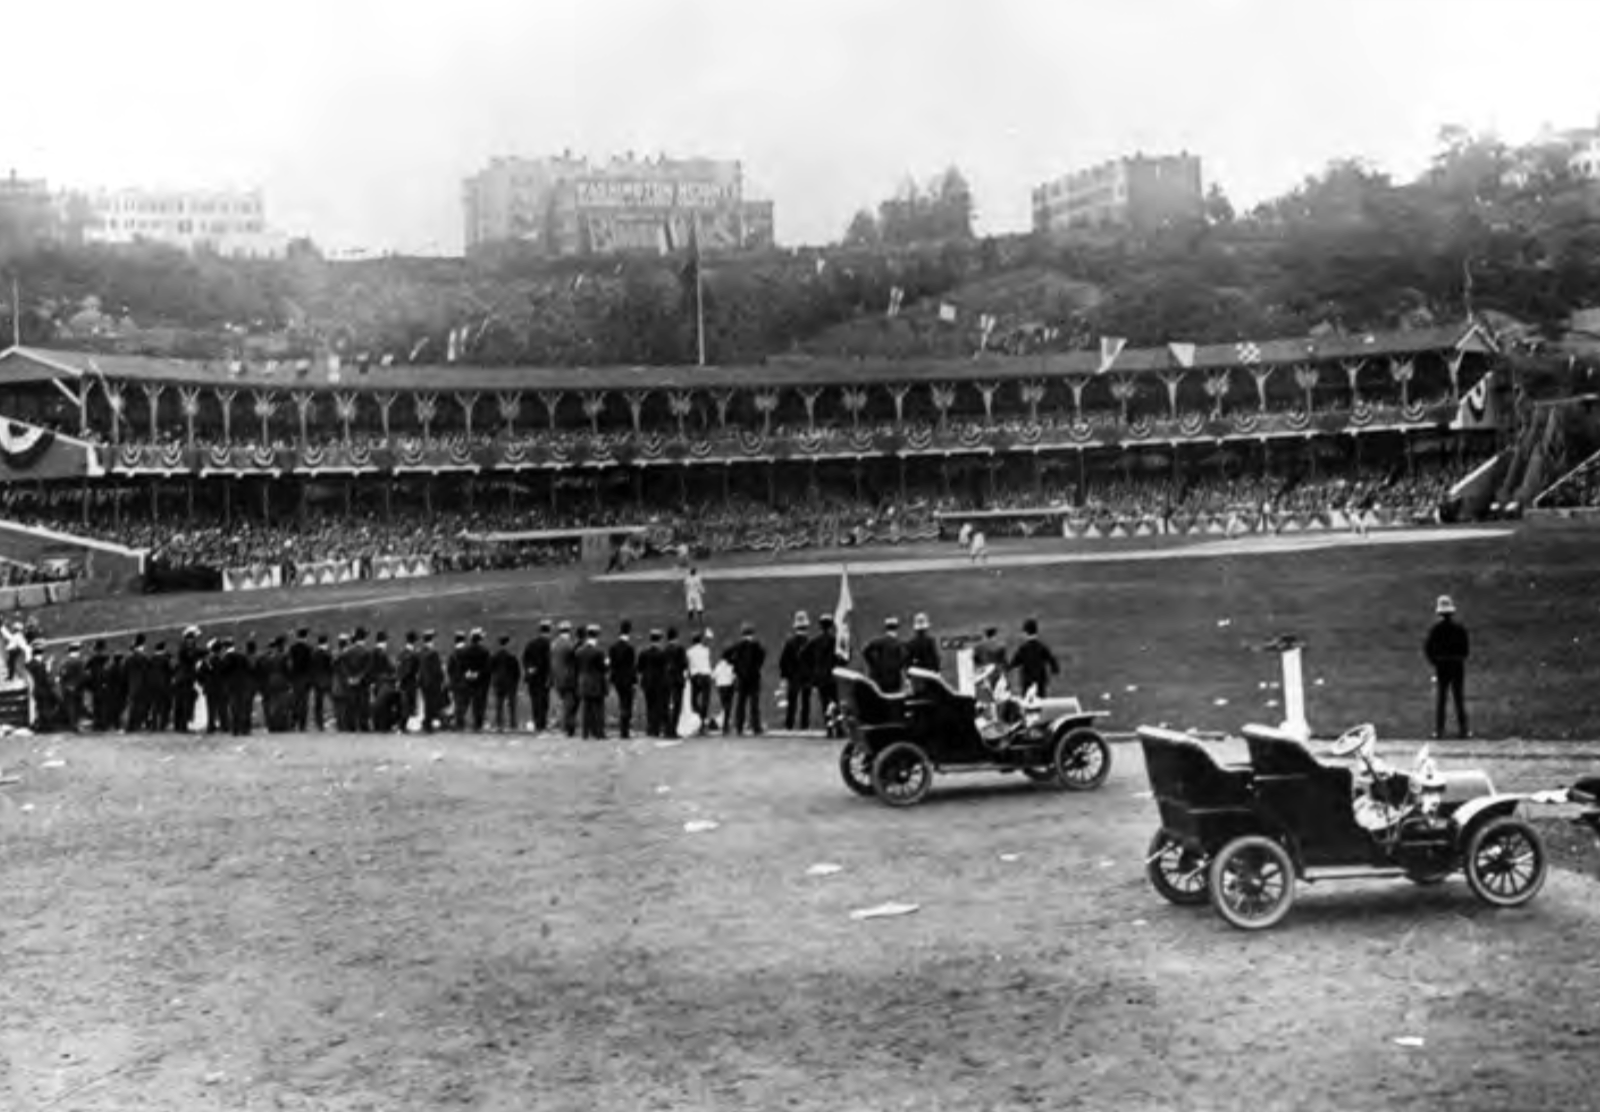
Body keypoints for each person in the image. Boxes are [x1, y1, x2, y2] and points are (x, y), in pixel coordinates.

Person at [1425, 595, 1470, 739]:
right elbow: (1466, 650)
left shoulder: (1436, 630)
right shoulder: (1459, 629)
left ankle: (1439, 731)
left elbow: (1428, 649)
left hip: (1442, 666)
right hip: (1457, 666)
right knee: (1459, 699)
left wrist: (1435, 661)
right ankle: (1463, 730)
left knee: (1441, 700)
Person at [804, 613, 842, 737]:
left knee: (825, 702)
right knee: (836, 702)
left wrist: (812, 667)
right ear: (831, 626)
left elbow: (802, 654)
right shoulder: (835, 641)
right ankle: (839, 728)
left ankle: (829, 728)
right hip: (834, 676)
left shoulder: (815, 642)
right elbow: (844, 656)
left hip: (820, 677)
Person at [726, 622, 767, 736]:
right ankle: (756, 727)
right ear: (752, 633)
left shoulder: (737, 645)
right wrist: (757, 666)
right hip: (754, 677)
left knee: (740, 703)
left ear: (742, 633)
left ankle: (739, 727)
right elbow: (763, 655)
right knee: (754, 704)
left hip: (741, 677)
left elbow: (725, 654)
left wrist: (735, 664)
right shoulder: (757, 645)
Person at [1009, 618, 1060, 697]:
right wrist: (1055, 670)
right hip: (1040, 680)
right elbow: (1051, 660)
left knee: (1027, 703)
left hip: (1027, 681)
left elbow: (1014, 663)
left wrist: (1007, 668)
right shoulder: (1042, 647)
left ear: (1026, 633)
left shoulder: (1023, 649)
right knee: (1040, 701)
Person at [575, 625, 609, 739]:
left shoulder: (579, 651)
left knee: (586, 709)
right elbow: (603, 669)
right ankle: (599, 733)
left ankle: (585, 733)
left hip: (583, 682)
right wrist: (607, 663)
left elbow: (577, 667)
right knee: (598, 709)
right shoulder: (599, 652)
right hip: (596, 683)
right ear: (597, 635)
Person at [779, 610, 812, 731]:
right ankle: (804, 725)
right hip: (807, 677)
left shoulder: (790, 643)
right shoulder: (810, 642)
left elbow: (783, 661)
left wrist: (785, 675)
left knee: (792, 703)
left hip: (793, 677)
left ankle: (789, 725)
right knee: (806, 703)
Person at [608, 621, 638, 739]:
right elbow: (632, 667)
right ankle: (624, 731)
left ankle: (623, 730)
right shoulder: (630, 648)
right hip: (627, 680)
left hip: (617, 680)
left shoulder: (613, 647)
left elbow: (612, 666)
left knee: (622, 703)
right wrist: (634, 681)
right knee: (627, 704)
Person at [862, 616, 907, 694]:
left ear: (886, 628)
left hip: (878, 680)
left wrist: (874, 664)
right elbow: (904, 660)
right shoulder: (900, 645)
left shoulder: (878, 642)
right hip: (893, 683)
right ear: (897, 628)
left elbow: (865, 651)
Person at [523, 620, 553, 732]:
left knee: (535, 701)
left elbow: (525, 659)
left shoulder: (531, 643)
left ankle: (537, 722)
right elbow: (549, 662)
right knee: (544, 701)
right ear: (549, 630)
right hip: (544, 677)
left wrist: (529, 669)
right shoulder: (549, 644)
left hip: (532, 677)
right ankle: (542, 723)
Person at [639, 629, 669, 736]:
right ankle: (655, 728)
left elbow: (639, 668)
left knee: (649, 705)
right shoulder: (662, 653)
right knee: (657, 706)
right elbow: (665, 669)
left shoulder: (644, 652)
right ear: (659, 640)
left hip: (647, 682)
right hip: (658, 683)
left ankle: (650, 727)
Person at [551, 620, 578, 737]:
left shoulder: (553, 644)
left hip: (557, 679)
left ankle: (566, 726)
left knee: (565, 703)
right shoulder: (569, 644)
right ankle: (568, 728)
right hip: (569, 679)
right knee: (570, 704)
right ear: (569, 631)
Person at [175, 626, 203, 733]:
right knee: (185, 702)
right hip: (185, 678)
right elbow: (192, 655)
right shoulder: (186, 648)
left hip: (184, 678)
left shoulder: (185, 647)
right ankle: (183, 725)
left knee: (183, 702)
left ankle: (181, 724)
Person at [490, 634, 521, 732]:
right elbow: (517, 672)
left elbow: (490, 669)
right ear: (508, 644)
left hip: (498, 682)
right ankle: (513, 724)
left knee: (499, 705)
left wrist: (493, 681)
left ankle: (499, 724)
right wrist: (516, 683)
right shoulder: (512, 657)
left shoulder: (495, 656)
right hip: (510, 683)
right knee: (512, 705)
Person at [687, 630, 714, 735]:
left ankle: (700, 718)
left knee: (693, 700)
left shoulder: (689, 652)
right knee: (705, 701)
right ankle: (703, 720)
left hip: (696, 677)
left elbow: (689, 665)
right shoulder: (706, 650)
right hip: (706, 676)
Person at [419, 630, 446, 732]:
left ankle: (426, 722)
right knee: (431, 704)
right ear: (432, 640)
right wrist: (442, 679)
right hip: (432, 683)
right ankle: (427, 724)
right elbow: (437, 670)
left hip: (423, 682)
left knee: (427, 703)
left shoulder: (421, 651)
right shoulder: (433, 653)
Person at [664, 626, 688, 739]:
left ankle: (667, 729)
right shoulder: (680, 649)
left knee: (668, 705)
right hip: (677, 680)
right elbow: (684, 664)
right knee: (677, 705)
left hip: (667, 680)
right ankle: (673, 730)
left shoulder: (665, 650)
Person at [288, 628, 314, 731]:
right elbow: (311, 665)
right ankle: (302, 725)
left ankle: (293, 722)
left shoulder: (292, 648)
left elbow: (290, 663)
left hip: (295, 678)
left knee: (296, 701)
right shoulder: (309, 648)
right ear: (306, 637)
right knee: (304, 702)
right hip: (305, 678)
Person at [57, 641, 87, 731]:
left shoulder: (64, 661)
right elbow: (82, 676)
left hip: (66, 688)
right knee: (76, 708)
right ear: (77, 650)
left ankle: (72, 725)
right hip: (77, 688)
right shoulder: (79, 661)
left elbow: (61, 675)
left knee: (70, 707)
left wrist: (65, 686)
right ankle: (75, 725)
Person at [310, 633, 334, 731]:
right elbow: (330, 668)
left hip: (317, 682)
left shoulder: (314, 654)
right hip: (327, 681)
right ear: (326, 642)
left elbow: (311, 668)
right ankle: (339, 721)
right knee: (334, 701)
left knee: (318, 705)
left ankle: (319, 724)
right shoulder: (327, 654)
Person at [397, 631, 421, 728]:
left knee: (404, 705)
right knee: (409, 706)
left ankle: (403, 725)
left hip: (403, 682)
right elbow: (413, 670)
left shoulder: (401, 653)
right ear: (414, 641)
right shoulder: (414, 655)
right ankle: (403, 726)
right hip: (410, 682)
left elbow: (399, 668)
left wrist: (399, 680)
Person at [712, 651, 736, 736]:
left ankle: (725, 725)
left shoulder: (718, 665)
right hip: (729, 687)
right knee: (728, 707)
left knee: (724, 706)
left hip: (720, 687)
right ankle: (725, 726)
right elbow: (733, 676)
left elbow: (713, 675)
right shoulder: (731, 665)